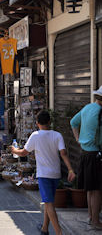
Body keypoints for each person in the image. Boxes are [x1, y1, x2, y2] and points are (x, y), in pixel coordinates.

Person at [11, 110, 75, 235]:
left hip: (44, 175)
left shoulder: (35, 135)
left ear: (37, 123)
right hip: (56, 174)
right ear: (49, 122)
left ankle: (59, 232)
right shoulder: (57, 135)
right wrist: (70, 169)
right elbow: (63, 153)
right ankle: (45, 228)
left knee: (49, 203)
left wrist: (15, 150)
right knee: (48, 201)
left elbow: (24, 152)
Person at [70, 85, 102, 230]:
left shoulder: (87, 108)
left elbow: (73, 122)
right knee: (96, 190)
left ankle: (91, 217)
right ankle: (95, 221)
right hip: (96, 154)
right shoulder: (100, 112)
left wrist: (78, 139)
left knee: (91, 189)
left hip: (85, 153)